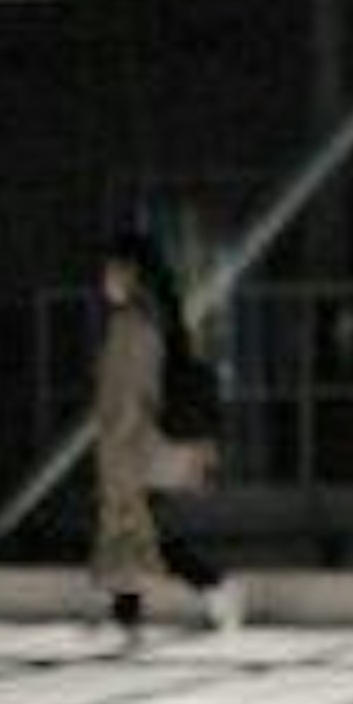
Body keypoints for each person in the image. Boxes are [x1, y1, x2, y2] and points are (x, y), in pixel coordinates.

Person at [91, 223, 239, 640]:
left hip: (138, 447)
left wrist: (118, 451)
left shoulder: (135, 326)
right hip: (146, 446)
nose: (107, 280)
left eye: (113, 271)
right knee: (131, 535)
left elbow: (131, 396)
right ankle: (128, 615)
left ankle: (213, 586)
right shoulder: (154, 321)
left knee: (139, 535)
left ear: (131, 274)